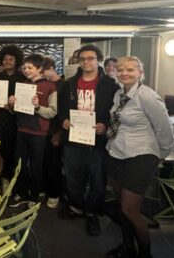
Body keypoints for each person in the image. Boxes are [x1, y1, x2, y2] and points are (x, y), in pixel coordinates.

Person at [105, 56, 174, 258]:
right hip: (117, 153)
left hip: (140, 157)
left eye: (130, 70)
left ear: (140, 73)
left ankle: (145, 254)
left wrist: (159, 156)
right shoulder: (119, 94)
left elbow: (166, 132)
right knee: (122, 208)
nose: (124, 73)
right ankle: (127, 247)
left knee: (131, 210)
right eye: (120, 70)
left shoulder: (148, 96)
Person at [58, 44, 119, 237]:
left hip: (98, 142)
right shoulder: (69, 84)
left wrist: (106, 124)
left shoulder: (111, 86)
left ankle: (93, 212)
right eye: (83, 58)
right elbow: (61, 108)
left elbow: (117, 112)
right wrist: (63, 120)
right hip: (74, 140)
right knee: (74, 177)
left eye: (90, 58)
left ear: (98, 59)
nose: (86, 62)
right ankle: (76, 207)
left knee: (98, 180)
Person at [8, 54, 57, 206]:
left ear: (39, 69)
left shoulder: (50, 87)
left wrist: (37, 107)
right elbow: (15, 111)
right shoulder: (23, 85)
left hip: (39, 133)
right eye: (24, 68)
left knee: (36, 165)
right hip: (22, 129)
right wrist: (11, 103)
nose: (26, 71)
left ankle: (34, 196)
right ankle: (21, 193)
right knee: (20, 164)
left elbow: (52, 112)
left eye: (30, 68)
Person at [0, 45, 25, 181]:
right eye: (5, 59)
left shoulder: (22, 78)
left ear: (17, 61)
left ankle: (6, 178)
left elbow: (25, 101)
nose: (7, 61)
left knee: (9, 149)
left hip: (12, 120)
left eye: (11, 59)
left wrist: (13, 107)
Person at [42, 57, 65, 209]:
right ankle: (46, 188)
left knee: (54, 164)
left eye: (42, 70)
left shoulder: (64, 85)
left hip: (56, 130)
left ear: (51, 67)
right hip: (42, 128)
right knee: (44, 162)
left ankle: (54, 193)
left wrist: (59, 133)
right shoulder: (44, 84)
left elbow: (65, 111)